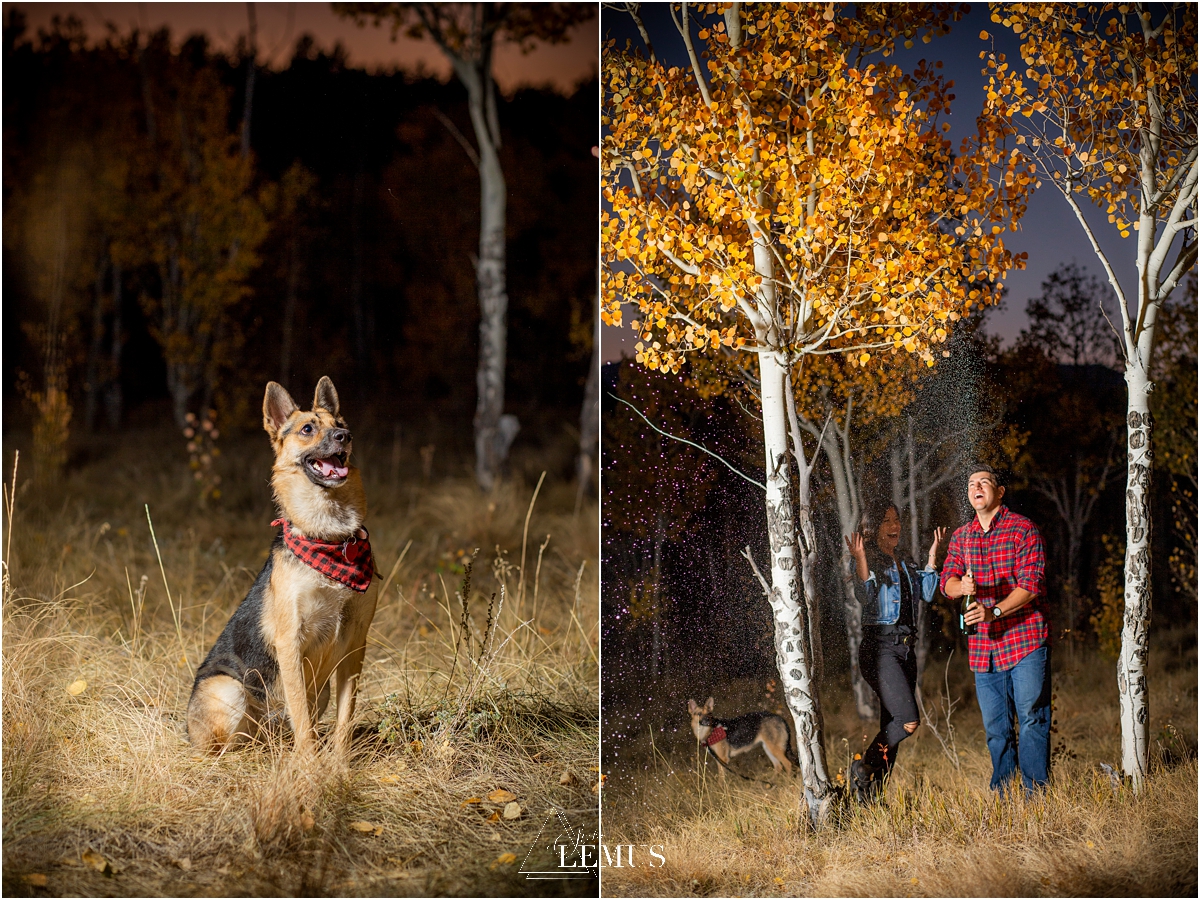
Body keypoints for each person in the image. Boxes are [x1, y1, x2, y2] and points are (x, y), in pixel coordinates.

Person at [940, 464, 1049, 794]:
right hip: (984, 650)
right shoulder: (962, 537)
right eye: (972, 483)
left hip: (1024, 640)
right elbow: (947, 582)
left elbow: (1031, 585)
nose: (977, 487)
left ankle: (1036, 795)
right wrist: (961, 587)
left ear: (999, 492)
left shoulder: (1022, 530)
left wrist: (995, 611)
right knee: (996, 728)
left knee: (1031, 718)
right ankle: (1004, 793)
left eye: (984, 482)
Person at [845, 500, 946, 802]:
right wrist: (861, 558)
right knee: (906, 721)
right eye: (886, 521)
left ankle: (872, 796)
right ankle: (862, 768)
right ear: (874, 528)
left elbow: (927, 594)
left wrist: (931, 557)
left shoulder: (906, 560)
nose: (894, 526)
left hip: (905, 650)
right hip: (880, 648)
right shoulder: (869, 559)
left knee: (892, 726)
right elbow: (864, 595)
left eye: (896, 520)